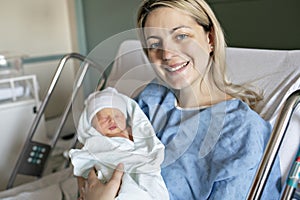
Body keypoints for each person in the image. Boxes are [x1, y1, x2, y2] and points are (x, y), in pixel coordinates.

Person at [81, 0, 282, 199]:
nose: (167, 54)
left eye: (182, 36)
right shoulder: (149, 102)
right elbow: (95, 154)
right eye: (154, 44)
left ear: (210, 39)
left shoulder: (242, 131)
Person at [69, 87, 169, 200]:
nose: (112, 121)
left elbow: (148, 147)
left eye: (117, 116)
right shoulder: (94, 143)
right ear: (91, 125)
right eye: (104, 117)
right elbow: (82, 167)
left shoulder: (134, 134)